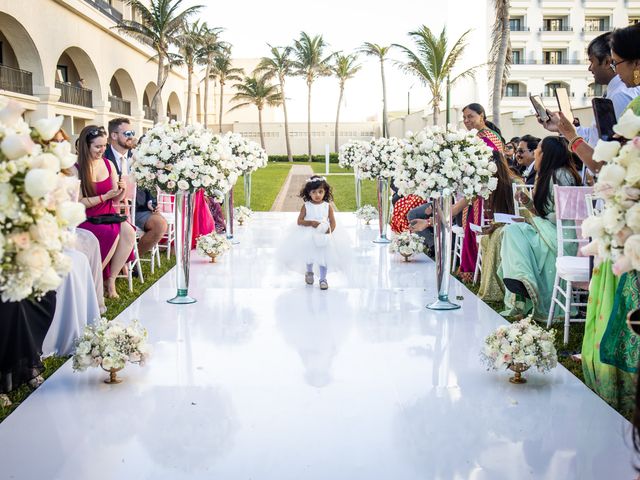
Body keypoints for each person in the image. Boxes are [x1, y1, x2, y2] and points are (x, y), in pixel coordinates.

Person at [499, 136, 582, 320]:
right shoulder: (546, 175)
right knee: (511, 230)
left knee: (514, 233)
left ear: (546, 154)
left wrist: (537, 220)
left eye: (539, 149)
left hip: (563, 236)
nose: (536, 152)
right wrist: (528, 202)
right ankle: (522, 281)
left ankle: (524, 282)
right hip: (548, 229)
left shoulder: (561, 175)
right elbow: (542, 212)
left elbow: (565, 215)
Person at [75, 126, 135, 299]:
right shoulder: (76, 169)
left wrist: (121, 191)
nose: (102, 150)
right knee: (109, 232)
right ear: (87, 147)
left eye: (104, 146)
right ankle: (94, 278)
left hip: (108, 214)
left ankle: (111, 279)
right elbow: (78, 202)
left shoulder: (109, 164)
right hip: (86, 218)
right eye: (97, 147)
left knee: (129, 232)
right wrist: (104, 196)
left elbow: (115, 199)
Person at [457, 103, 505, 282]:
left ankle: (477, 270)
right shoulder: (478, 136)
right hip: (476, 187)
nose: (467, 121)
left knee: (473, 224)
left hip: (488, 189)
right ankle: (470, 269)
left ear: (481, 116)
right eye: (464, 118)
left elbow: (493, 165)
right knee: (469, 223)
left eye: (470, 116)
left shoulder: (488, 137)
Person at [278, 176, 348, 290]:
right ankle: (309, 272)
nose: (317, 195)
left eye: (320, 192)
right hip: (308, 235)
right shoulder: (306, 206)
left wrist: (329, 231)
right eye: (314, 192)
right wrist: (311, 223)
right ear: (308, 193)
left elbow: (333, 222)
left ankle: (323, 279)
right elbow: (299, 221)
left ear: (325, 192)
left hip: (323, 235)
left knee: (323, 257)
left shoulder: (327, 206)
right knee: (309, 255)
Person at [476, 151, 521, 303]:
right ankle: (494, 286)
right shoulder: (490, 186)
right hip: (503, 226)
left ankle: (499, 290)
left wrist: (498, 225)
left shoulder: (515, 183)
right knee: (488, 238)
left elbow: (524, 215)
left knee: (495, 237)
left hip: (520, 228)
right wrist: (494, 225)